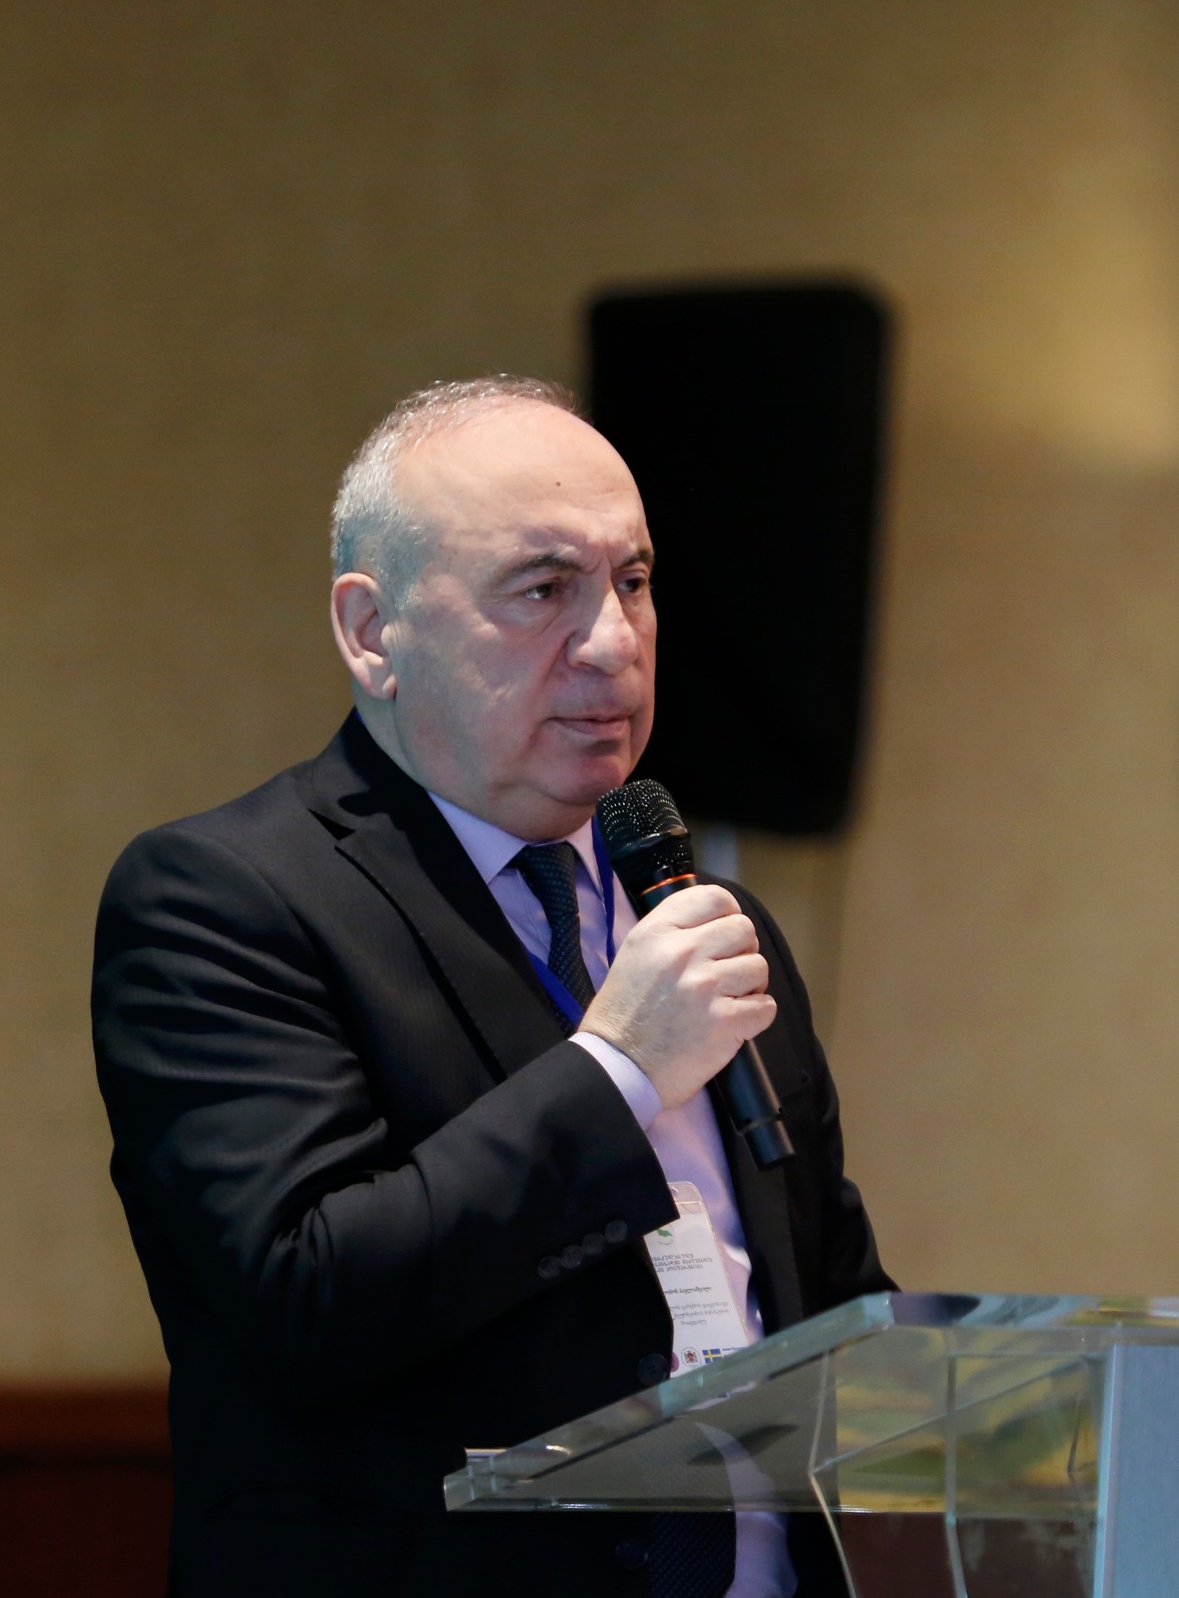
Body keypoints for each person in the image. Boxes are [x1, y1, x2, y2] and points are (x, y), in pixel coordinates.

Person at [91, 376, 893, 1597]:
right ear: (372, 632)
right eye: (543, 588)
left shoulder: (703, 923)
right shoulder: (223, 899)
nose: (613, 640)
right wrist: (618, 1069)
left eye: (632, 580)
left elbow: (830, 1300)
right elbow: (306, 1296)